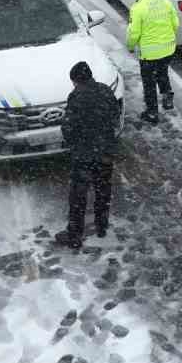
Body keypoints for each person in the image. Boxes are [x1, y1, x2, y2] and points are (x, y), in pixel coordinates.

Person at [55, 61, 122, 249]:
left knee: (78, 195)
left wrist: (74, 144)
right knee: (103, 190)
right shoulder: (105, 91)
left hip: (84, 154)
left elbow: (68, 127)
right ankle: (102, 225)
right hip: (105, 151)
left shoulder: (76, 96)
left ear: (76, 80)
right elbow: (116, 114)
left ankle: (74, 235)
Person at [125, 0, 178, 124]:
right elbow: (175, 24)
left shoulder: (137, 8)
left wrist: (130, 46)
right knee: (162, 72)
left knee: (149, 83)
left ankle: (152, 113)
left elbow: (134, 32)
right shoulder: (165, 2)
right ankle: (167, 97)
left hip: (149, 54)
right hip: (168, 49)